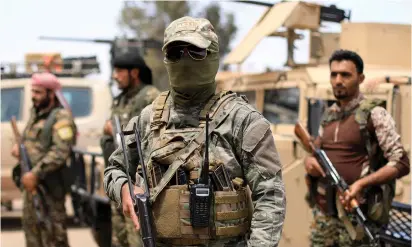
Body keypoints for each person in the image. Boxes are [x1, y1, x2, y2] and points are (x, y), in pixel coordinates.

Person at [104, 16, 286, 247]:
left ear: (213, 56)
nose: (184, 60)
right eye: (175, 53)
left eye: (195, 52)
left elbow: (270, 195)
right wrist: (123, 190)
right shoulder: (147, 119)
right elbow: (114, 168)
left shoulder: (242, 120)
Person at [304, 49, 410, 247]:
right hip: (325, 216)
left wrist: (362, 184)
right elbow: (315, 152)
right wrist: (308, 161)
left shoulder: (375, 114)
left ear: (360, 78)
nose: (338, 80)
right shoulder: (328, 116)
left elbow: (402, 163)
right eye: (334, 74)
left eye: (345, 74)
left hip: (358, 218)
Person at [100, 51, 160, 247]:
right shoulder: (121, 99)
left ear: (134, 73)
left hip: (138, 183)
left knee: (138, 238)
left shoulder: (150, 96)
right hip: (120, 180)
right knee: (119, 239)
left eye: (119, 71)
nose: (114, 76)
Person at [11, 72, 77, 247]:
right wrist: (19, 148)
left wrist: (36, 174)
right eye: (33, 92)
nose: (33, 96)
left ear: (51, 94)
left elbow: (60, 152)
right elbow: (30, 141)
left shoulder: (61, 117)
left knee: (54, 237)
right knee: (33, 235)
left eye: (38, 92)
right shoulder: (36, 114)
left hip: (50, 187)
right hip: (30, 187)